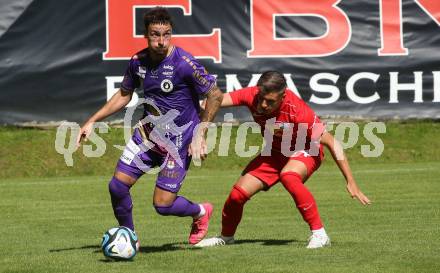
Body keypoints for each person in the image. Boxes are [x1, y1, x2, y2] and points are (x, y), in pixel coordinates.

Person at [76, 7, 223, 245]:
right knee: (117, 187)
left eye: (166, 34)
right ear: (146, 34)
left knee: (162, 206)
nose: (161, 41)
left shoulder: (185, 63)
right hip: (147, 137)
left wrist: (200, 134)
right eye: (155, 34)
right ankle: (129, 238)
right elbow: (124, 94)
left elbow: (215, 95)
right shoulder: (138, 62)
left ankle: (201, 212)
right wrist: (92, 120)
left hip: (179, 141)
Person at [195, 71, 371, 249]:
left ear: (283, 95)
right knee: (236, 196)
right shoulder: (251, 95)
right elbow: (215, 100)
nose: (263, 104)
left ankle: (320, 234)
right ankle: (226, 237)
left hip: (307, 149)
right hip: (275, 152)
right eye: (262, 98)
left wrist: (351, 181)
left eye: (270, 101)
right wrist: (200, 110)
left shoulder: (298, 112)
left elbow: (332, 142)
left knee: (289, 176)